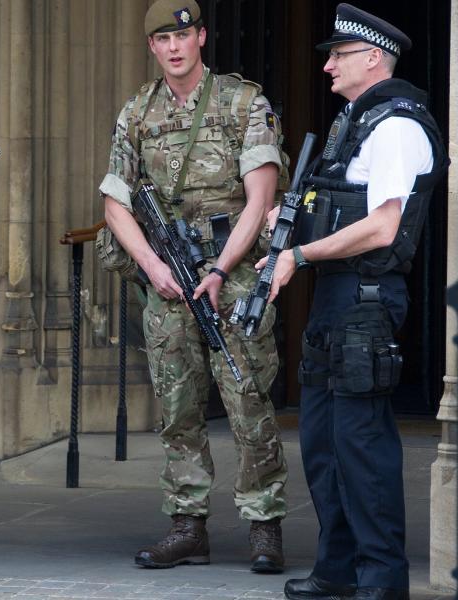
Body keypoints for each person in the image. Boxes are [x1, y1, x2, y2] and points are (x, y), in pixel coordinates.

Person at [262, 5, 447, 600]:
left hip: (365, 300)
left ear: (373, 58)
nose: (326, 67)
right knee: (322, 444)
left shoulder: (396, 126)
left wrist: (302, 255)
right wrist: (290, 224)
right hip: (335, 299)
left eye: (338, 56)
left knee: (361, 448)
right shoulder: (354, 120)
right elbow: (341, 203)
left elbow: (384, 227)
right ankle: (336, 570)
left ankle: (381, 581)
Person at [100, 0, 289, 574]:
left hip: (230, 277)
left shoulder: (242, 101)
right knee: (177, 407)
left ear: (201, 36)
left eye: (183, 35)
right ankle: (188, 524)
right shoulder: (138, 111)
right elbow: (115, 203)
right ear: (153, 47)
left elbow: (261, 198)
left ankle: (264, 526)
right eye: (162, 39)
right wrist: (152, 267)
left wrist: (217, 270)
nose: (174, 47)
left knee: (246, 398)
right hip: (169, 282)